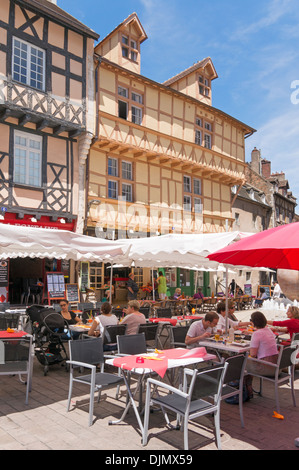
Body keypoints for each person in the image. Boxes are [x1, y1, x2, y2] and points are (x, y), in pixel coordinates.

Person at [245, 311, 279, 398]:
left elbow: (253, 354)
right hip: (275, 365)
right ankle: (247, 389)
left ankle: (245, 391)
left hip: (266, 367)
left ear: (253, 322)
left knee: (241, 363)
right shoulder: (268, 330)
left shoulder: (256, 334)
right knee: (247, 362)